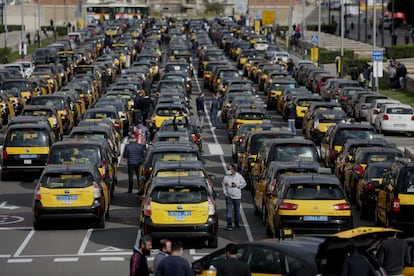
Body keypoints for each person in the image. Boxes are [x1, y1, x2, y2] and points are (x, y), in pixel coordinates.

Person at [222, 163, 247, 231]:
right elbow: (223, 184)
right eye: (228, 169)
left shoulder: (238, 176)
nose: (228, 171)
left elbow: (244, 183)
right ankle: (229, 224)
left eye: (229, 169)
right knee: (229, 211)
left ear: (233, 169)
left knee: (237, 211)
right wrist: (225, 193)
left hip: (237, 197)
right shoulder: (226, 177)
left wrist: (237, 185)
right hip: (229, 196)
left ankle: (237, 223)